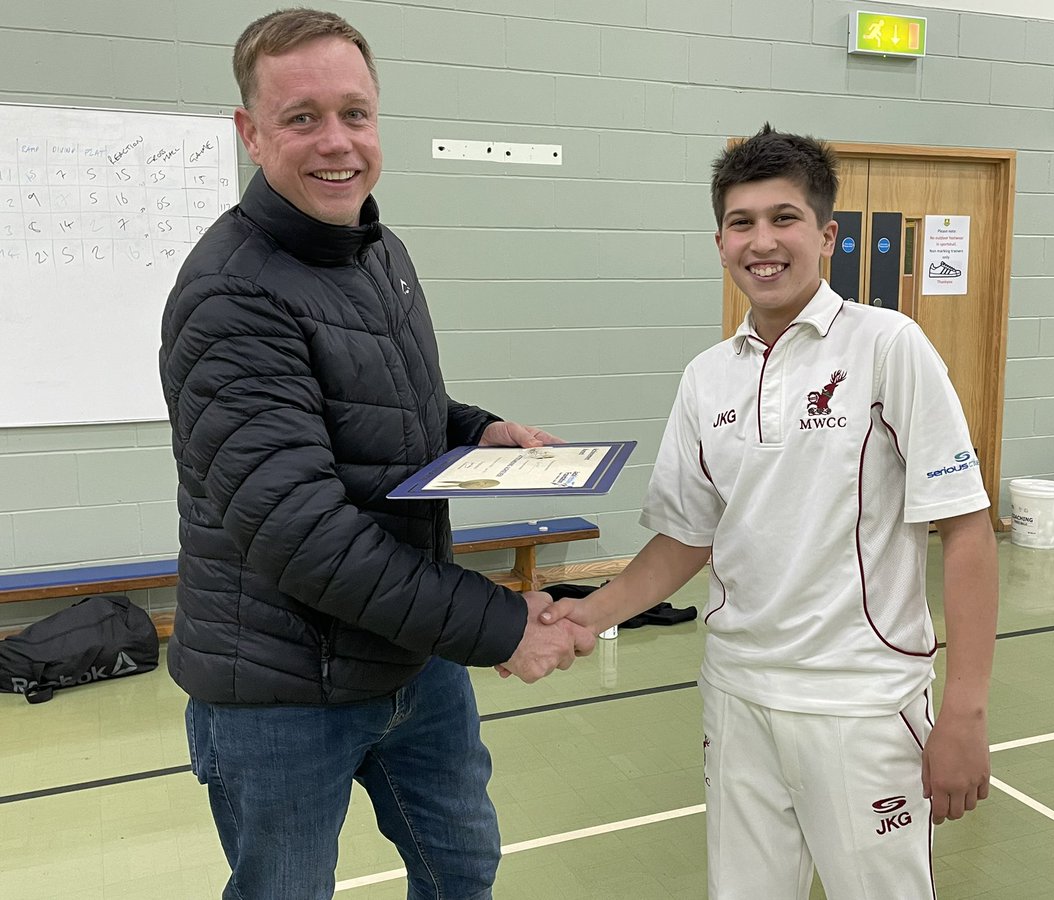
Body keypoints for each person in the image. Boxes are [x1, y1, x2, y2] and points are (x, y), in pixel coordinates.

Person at [158, 9, 594, 899]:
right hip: (280, 691)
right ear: (250, 133)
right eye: (302, 117)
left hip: (409, 662)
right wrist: (503, 625)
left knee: (462, 869)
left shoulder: (378, 250)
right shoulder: (229, 298)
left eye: (354, 113)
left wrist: (476, 431)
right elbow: (302, 532)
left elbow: (394, 402)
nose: (337, 143)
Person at [541, 124, 999, 899]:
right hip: (738, 694)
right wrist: (588, 614)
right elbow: (686, 538)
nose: (763, 241)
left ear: (825, 235)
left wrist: (965, 713)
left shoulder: (890, 345)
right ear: (719, 241)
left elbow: (964, 528)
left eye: (784, 218)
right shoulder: (706, 377)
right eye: (741, 222)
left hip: (862, 704)